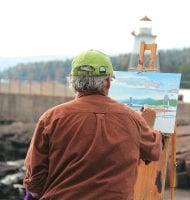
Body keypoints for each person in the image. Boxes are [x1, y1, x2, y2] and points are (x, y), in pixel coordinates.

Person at [23, 49, 163, 200]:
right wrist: (149, 126)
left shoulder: (51, 118)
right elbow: (154, 152)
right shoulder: (132, 118)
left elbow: (35, 179)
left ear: (73, 82)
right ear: (108, 82)